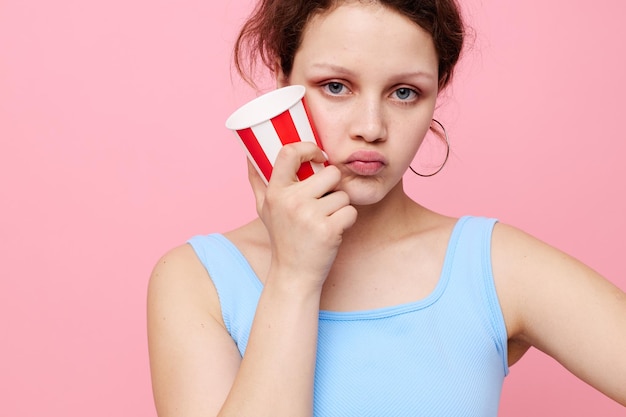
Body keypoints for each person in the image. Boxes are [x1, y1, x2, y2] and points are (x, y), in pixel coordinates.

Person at [147, 0, 626, 416]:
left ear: (437, 93)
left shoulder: (495, 267)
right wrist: (294, 276)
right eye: (336, 86)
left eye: (404, 93)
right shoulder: (196, 278)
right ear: (283, 85)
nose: (371, 127)